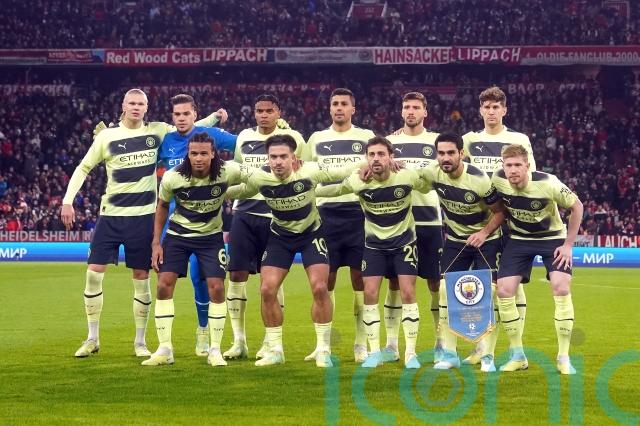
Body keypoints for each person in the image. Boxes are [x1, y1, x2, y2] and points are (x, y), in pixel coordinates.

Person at [62, 88, 221, 358]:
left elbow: (187, 127)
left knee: (141, 279)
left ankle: (140, 342)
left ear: (146, 108)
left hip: (143, 217)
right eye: (132, 103)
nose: (136, 107)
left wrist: (215, 117)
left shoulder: (157, 131)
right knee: (93, 274)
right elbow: (84, 167)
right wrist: (68, 201)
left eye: (141, 104)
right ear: (123, 106)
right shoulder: (107, 137)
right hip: (111, 215)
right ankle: (92, 338)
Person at [227, 134, 360, 367]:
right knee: (267, 289)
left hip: (311, 235)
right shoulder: (260, 177)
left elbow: (342, 170)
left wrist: (371, 163)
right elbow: (238, 186)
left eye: (283, 156)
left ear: (293, 157)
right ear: (267, 158)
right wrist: (213, 190)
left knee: (320, 287)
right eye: (273, 157)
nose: (278, 162)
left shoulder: (309, 171)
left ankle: (323, 350)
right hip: (280, 237)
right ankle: (275, 350)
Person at [316, 136, 429, 369]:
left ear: (391, 157)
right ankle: (375, 352)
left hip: (404, 244)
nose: (376, 159)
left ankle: (410, 353)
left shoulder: (405, 176)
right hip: (374, 246)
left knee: (408, 292)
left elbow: (429, 182)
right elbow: (333, 190)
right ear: (366, 158)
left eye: (381, 154)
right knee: (369, 293)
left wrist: (408, 165)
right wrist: (305, 188)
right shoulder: (359, 181)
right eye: (372, 155)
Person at [142, 132, 244, 367]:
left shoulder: (228, 171)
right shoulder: (173, 177)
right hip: (178, 236)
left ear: (213, 154)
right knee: (163, 284)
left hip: (210, 237)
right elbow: (162, 206)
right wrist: (156, 243)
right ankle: (165, 349)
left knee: (217, 287)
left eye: (203, 153)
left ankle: (215, 350)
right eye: (194, 153)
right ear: (188, 154)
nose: (198, 158)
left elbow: (256, 174)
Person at [224, 94, 306, 361]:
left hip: (275, 216)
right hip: (244, 213)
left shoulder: (294, 138)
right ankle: (239, 341)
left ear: (278, 112)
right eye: (259, 110)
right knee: (236, 275)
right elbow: (239, 170)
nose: (263, 115)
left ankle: (269, 342)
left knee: (271, 279)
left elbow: (302, 170)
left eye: (269, 110)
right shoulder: (244, 137)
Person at [493, 144, 583, 374]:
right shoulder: (498, 179)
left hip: (552, 238)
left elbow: (577, 206)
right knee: (503, 291)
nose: (513, 170)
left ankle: (563, 357)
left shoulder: (548, 183)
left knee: (561, 287)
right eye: (508, 165)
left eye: (517, 165)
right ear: (503, 166)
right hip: (519, 238)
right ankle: (517, 355)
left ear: (527, 166)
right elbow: (498, 207)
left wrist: (568, 245)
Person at [158, 94, 235, 357]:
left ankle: (203, 331)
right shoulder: (166, 140)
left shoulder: (209, 135)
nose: (181, 118)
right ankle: (160, 344)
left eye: (186, 114)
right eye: (177, 114)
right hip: (173, 224)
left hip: (206, 223)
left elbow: (244, 145)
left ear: (195, 114)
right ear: (172, 117)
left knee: (200, 278)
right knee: (164, 281)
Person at [461, 86, 533, 366]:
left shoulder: (519, 139)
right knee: (485, 285)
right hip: (481, 220)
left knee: (511, 283)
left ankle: (513, 348)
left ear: (504, 110)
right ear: (480, 110)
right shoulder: (469, 140)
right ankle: (483, 347)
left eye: (496, 107)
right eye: (487, 107)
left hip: (513, 220)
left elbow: (529, 175)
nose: (491, 112)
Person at [422, 132, 506, 372]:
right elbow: (408, 177)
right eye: (441, 153)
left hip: (486, 240)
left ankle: (487, 355)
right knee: (445, 291)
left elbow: (500, 212)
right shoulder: (433, 173)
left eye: (451, 153)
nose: (445, 158)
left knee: (488, 293)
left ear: (461, 153)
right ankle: (450, 354)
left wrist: (484, 233)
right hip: (456, 240)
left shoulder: (478, 179)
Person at [303, 88, 375, 363]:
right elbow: (307, 173)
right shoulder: (317, 138)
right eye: (335, 103)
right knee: (324, 281)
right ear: (329, 108)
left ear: (353, 109)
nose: (339, 108)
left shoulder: (365, 136)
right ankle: (323, 345)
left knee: (360, 280)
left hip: (358, 213)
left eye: (344, 103)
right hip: (325, 215)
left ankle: (360, 344)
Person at [384, 92, 444, 362]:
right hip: (397, 221)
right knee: (395, 282)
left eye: (416, 107)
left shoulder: (436, 141)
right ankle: (391, 344)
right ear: (401, 111)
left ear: (425, 112)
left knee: (435, 282)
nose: (410, 111)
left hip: (429, 219)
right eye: (406, 107)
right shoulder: (390, 142)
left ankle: (440, 340)